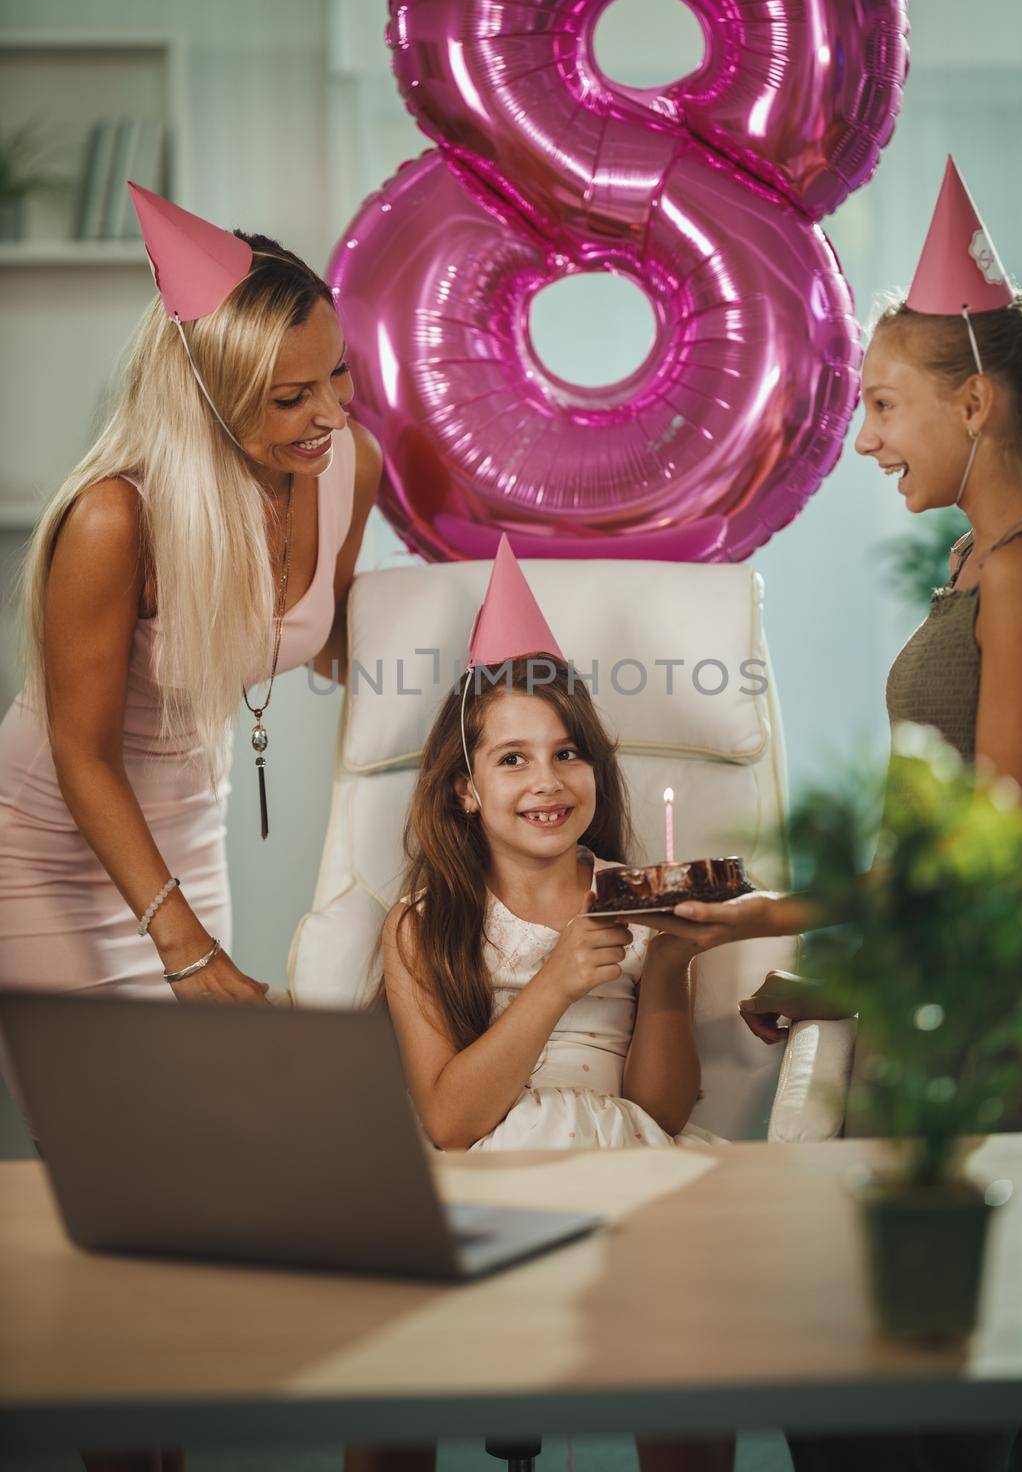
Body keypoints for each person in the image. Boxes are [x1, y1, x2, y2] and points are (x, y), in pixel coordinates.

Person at [655, 158, 1022, 1471]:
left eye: (884, 406)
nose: (868, 439)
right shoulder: (982, 566)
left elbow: (987, 871)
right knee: (858, 1392)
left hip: (968, 1042)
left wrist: (768, 921)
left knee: (909, 1408)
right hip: (916, 1008)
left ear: (973, 399)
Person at [346, 535, 734, 1472]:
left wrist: (671, 965)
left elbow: (658, 1110)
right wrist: (558, 979)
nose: (548, 781)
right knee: (390, 1361)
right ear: (467, 791)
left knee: (695, 1343)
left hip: (622, 1156)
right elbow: (448, 1119)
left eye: (567, 754)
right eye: (513, 760)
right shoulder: (425, 925)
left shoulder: (632, 900)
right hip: (484, 1170)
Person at [0, 184, 381, 1056]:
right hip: (47, 848)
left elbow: (329, 636)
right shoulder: (115, 519)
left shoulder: (347, 464)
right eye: (290, 397)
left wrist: (466, 689)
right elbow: (81, 752)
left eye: (336, 372)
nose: (329, 413)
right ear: (206, 395)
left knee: (203, 1120)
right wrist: (181, 942)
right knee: (105, 1128)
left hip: (184, 829)